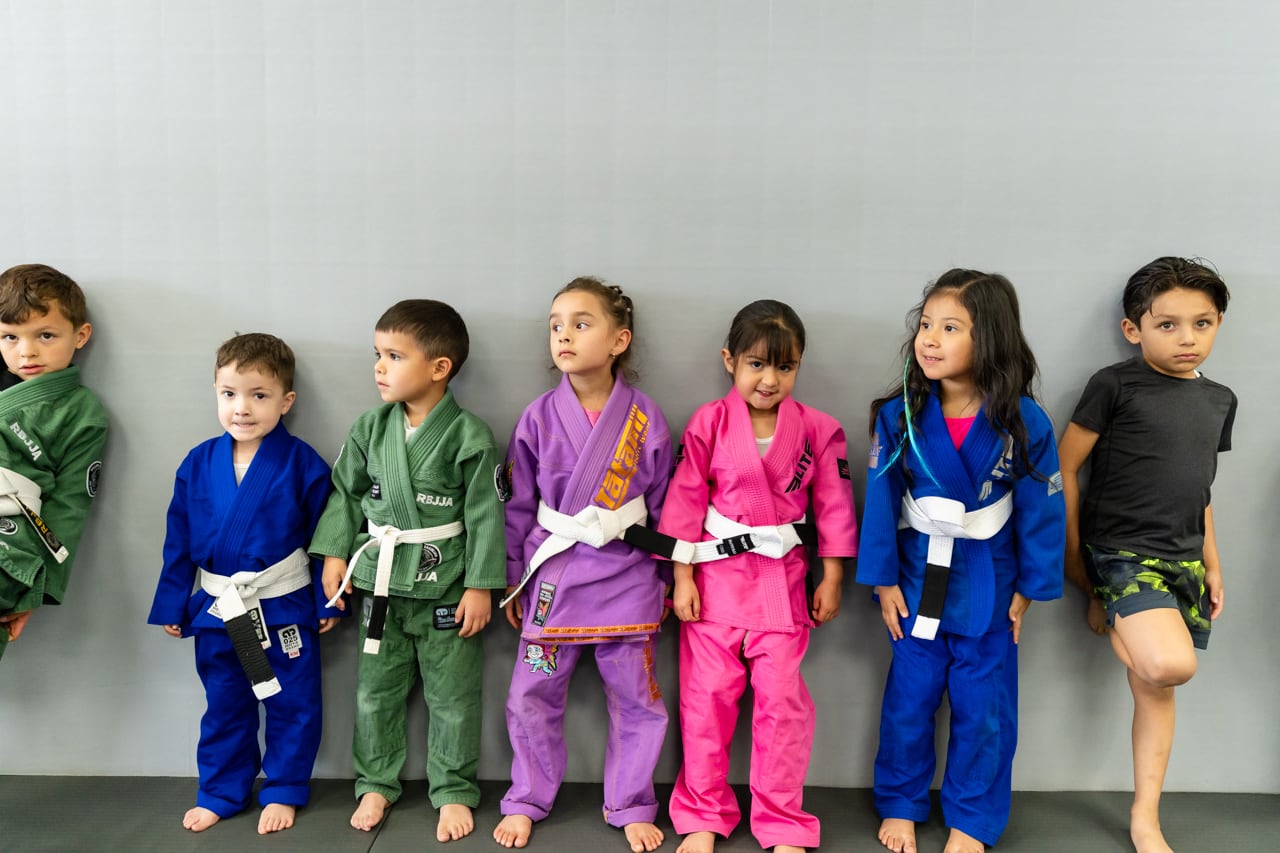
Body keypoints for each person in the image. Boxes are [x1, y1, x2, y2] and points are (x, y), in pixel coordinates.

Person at [857, 269, 1064, 853]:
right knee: (908, 702)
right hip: (916, 585)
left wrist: (1031, 587)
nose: (930, 339)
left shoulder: (1024, 420)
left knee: (984, 710)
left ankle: (972, 818)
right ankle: (901, 802)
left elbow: (1042, 509)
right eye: (926, 325)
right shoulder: (899, 415)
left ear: (989, 337)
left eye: (950, 328)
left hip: (988, 587)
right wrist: (882, 581)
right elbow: (880, 501)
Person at [658, 300, 857, 853]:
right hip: (714, 584)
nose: (769, 379)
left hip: (782, 587)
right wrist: (682, 578)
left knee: (782, 709)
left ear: (798, 366)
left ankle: (783, 820)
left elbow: (834, 507)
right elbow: (685, 502)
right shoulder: (709, 422)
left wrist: (832, 577)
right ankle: (703, 814)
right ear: (730, 360)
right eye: (756, 364)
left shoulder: (819, 430)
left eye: (784, 367)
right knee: (705, 703)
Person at [311, 299, 506, 843]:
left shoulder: (469, 435)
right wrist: (334, 555)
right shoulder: (369, 428)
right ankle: (375, 782)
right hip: (380, 586)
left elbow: (486, 515)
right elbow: (345, 495)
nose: (379, 367)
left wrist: (481, 586)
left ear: (440, 367)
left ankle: (454, 789)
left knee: (454, 698)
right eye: (377, 354)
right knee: (375, 692)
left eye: (394, 356)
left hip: (446, 587)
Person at [1058, 257, 1233, 853]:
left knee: (1155, 689)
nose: (1188, 338)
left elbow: (1201, 489)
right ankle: (1112, 608)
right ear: (1134, 330)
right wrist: (1076, 564)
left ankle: (1145, 816)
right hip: (1121, 553)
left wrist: (1212, 563)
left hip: (1183, 559)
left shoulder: (1220, 400)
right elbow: (1066, 468)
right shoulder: (1114, 385)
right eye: (1168, 325)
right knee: (1169, 665)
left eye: (1202, 323)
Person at [493, 278, 674, 853]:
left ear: (620, 340)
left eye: (580, 323)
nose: (564, 335)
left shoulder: (645, 417)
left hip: (628, 577)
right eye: (556, 325)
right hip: (555, 574)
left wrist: (668, 577)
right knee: (531, 696)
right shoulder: (538, 417)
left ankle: (632, 801)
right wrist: (513, 576)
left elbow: (666, 507)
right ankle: (528, 796)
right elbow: (519, 505)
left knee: (638, 701)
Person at [148, 333, 339, 834]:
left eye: (259, 395)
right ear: (215, 392)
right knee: (225, 705)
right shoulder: (197, 463)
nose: (242, 408)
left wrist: (326, 601)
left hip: (283, 606)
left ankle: (284, 788)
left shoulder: (303, 463)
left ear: (286, 401)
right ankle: (220, 791)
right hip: (218, 610)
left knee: (293, 704)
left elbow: (326, 540)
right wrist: (173, 601)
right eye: (229, 393)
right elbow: (178, 540)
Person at [0, 264, 108, 661]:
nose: (26, 351)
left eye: (45, 335)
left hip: (10, 545)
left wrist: (37, 588)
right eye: (10, 336)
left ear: (80, 335)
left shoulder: (82, 414)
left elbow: (70, 506)